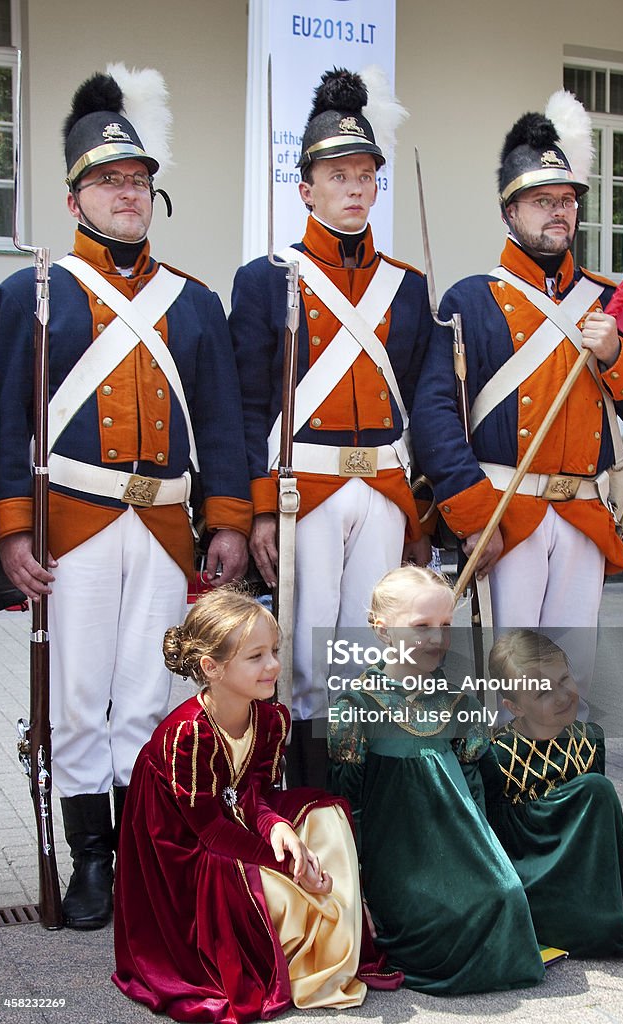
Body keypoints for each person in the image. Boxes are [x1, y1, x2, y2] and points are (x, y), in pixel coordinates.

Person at [0, 67, 252, 930]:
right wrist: (12, 531)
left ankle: (143, 845)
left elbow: (220, 425)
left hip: (168, 526)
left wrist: (228, 522)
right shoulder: (26, 295)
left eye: (137, 182)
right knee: (74, 699)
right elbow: (3, 426)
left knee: (148, 696)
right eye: (107, 182)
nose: (126, 195)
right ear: (75, 202)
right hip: (75, 520)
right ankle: (91, 860)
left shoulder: (195, 301)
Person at [230, 68, 432, 786]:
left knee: (366, 654)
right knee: (304, 661)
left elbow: (418, 397)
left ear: (377, 186)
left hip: (380, 482)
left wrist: (422, 509)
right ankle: (311, 801)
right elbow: (249, 405)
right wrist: (257, 506)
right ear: (305, 189)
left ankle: (358, 803)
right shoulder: (264, 279)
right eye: (336, 174)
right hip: (301, 487)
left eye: (363, 175)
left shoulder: (406, 287)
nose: (352, 187)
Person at [411, 92, 623, 644]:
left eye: (568, 200)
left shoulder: (607, 301)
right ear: (510, 212)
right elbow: (435, 416)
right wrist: (476, 513)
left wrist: (615, 357)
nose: (559, 211)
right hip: (507, 515)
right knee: (510, 686)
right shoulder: (472, 299)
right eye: (542, 200)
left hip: (585, 512)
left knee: (571, 685)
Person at [113, 587, 402, 1021]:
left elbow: (256, 795)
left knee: (325, 814)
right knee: (272, 890)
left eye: (274, 651)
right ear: (211, 667)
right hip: (182, 857)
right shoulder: (188, 735)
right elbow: (207, 832)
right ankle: (318, 926)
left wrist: (276, 828)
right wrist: (289, 865)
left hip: (235, 823)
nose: (273, 666)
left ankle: (336, 925)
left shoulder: (269, 718)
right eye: (256, 657)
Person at [327, 566, 547, 994]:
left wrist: (489, 859)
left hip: (459, 848)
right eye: (421, 627)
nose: (435, 639)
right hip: (394, 859)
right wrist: (355, 890)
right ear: (382, 629)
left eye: (445, 626)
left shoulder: (459, 701)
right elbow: (345, 804)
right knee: (446, 924)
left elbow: (476, 791)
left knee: (503, 897)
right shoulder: (355, 707)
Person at [485, 629, 623, 957]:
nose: (563, 696)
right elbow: (490, 844)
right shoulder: (496, 756)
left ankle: (590, 917)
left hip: (581, 879)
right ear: (514, 706)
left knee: (598, 791)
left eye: (564, 679)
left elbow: (605, 831)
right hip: (530, 882)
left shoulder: (589, 739)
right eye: (542, 693)